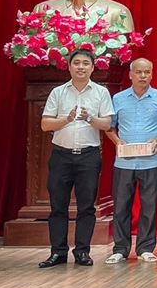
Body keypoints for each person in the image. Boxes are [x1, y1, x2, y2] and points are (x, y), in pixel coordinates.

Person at [38, 49, 114, 268]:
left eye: (85, 63)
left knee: (86, 207)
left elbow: (107, 124)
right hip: (61, 156)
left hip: (88, 156)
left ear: (93, 67)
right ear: (69, 66)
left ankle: (82, 251)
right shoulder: (58, 92)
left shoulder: (101, 92)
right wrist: (67, 119)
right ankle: (58, 252)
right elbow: (45, 124)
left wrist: (89, 118)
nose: (81, 67)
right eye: (77, 63)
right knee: (58, 206)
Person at [105, 58, 157, 264]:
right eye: (139, 72)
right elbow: (109, 126)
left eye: (147, 72)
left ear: (151, 74)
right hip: (124, 162)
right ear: (131, 74)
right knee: (121, 207)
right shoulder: (118, 98)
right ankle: (120, 249)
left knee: (149, 206)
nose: (143, 76)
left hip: (151, 162)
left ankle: (145, 248)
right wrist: (117, 141)